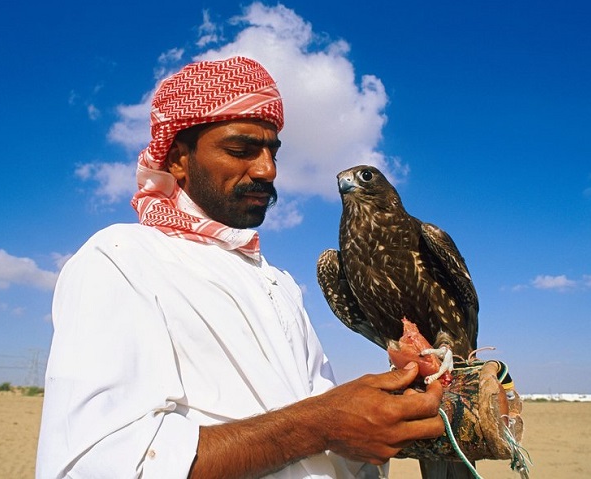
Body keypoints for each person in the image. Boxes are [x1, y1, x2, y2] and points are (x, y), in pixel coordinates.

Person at [36, 56, 445, 479]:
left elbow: (333, 450)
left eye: (272, 151)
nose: (267, 169)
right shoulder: (121, 259)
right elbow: (90, 467)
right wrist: (321, 424)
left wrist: (412, 409)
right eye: (241, 150)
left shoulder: (276, 282)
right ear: (178, 159)